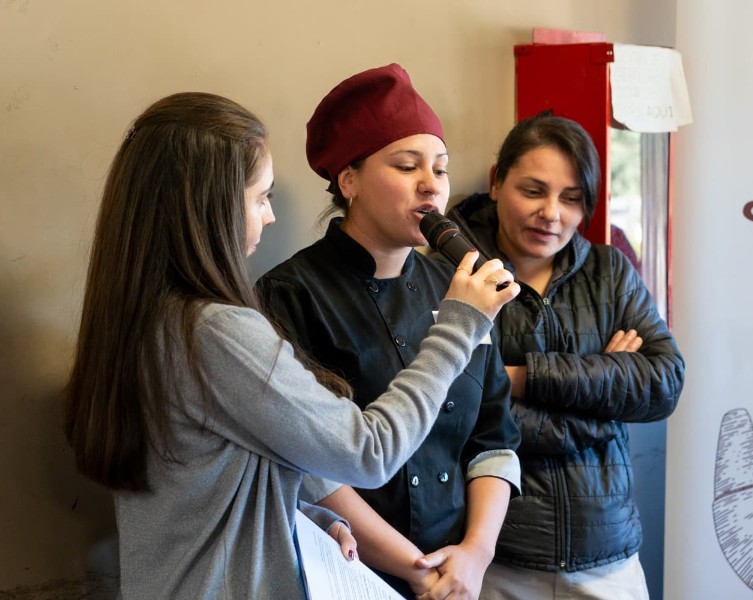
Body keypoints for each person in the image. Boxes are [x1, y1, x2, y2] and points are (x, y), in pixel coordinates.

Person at [63, 91, 520, 600]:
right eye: (262, 198)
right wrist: (458, 325)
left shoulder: (155, 318)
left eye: (440, 168)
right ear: (208, 207)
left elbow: (242, 465)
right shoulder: (217, 329)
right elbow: (369, 451)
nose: (270, 217)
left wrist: (308, 515)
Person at [256, 64, 522, 599]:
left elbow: (494, 436)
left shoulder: (459, 287)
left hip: (460, 575)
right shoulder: (291, 294)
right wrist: (419, 569)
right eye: (406, 166)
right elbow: (308, 464)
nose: (431, 185)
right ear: (348, 181)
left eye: (441, 170)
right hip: (350, 573)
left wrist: (474, 555)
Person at [441, 113, 685, 600]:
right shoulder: (451, 275)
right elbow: (457, 409)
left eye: (571, 199)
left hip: (609, 559)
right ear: (496, 182)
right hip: (496, 560)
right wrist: (603, 405)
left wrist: (519, 377)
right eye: (533, 191)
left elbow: (663, 381)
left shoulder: (610, 270)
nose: (551, 213)